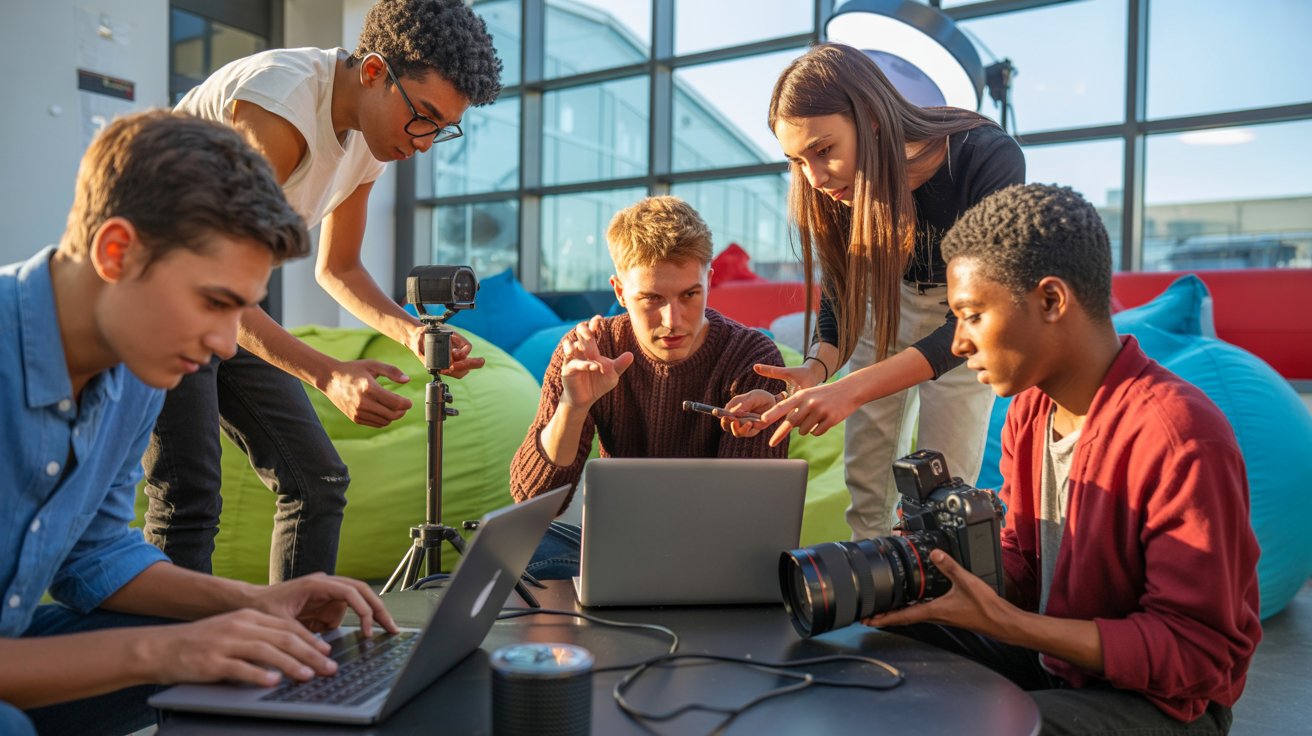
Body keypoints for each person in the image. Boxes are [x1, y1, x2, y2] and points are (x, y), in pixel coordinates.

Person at [0, 110, 400, 736]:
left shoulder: (133, 373)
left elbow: (96, 554)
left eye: (240, 310)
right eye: (214, 302)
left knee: (241, 651)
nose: (223, 345)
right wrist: (167, 652)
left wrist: (254, 603)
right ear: (116, 252)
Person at [864, 183, 1262, 734]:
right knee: (881, 640)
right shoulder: (1030, 412)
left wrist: (1011, 625)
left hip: (1163, 703)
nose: (957, 343)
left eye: (972, 315)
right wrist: (933, 568)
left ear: (1051, 300)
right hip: (1059, 659)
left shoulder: (1180, 436)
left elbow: (1196, 653)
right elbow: (1026, 565)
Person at [144, 0, 504, 582]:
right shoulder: (280, 106)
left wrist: (411, 333)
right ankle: (170, 669)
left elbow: (338, 268)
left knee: (318, 482)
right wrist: (329, 374)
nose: (424, 143)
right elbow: (210, 280)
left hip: (223, 305)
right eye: (424, 117)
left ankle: (301, 656)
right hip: (158, 298)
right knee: (188, 500)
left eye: (443, 129)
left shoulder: (369, 135)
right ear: (373, 72)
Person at [729, 42, 1025, 540]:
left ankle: (940, 602)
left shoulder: (985, 156)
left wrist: (850, 387)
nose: (815, 177)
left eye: (824, 150)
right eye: (797, 160)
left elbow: (976, 323)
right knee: (866, 482)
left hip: (967, 319)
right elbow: (843, 295)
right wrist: (819, 369)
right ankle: (873, 592)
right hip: (885, 301)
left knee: (944, 491)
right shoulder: (831, 189)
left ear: (870, 116)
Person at [509, 196, 790, 579]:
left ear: (709, 280)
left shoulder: (751, 357)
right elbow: (532, 502)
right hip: (615, 547)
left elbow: (747, 518)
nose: (673, 320)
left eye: (690, 295)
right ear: (620, 292)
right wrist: (572, 407)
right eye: (652, 299)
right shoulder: (592, 349)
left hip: (714, 557)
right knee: (520, 550)